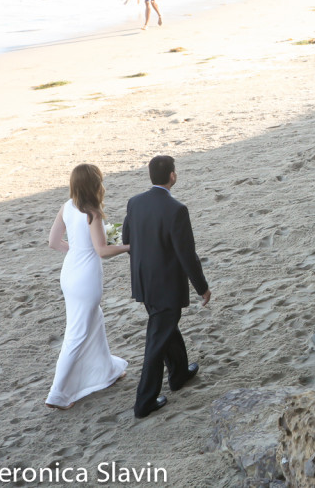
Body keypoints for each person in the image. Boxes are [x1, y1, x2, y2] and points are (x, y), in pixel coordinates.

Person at [122, 155, 210, 419]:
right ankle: (144, 402)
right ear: (172, 175)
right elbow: (187, 255)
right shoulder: (177, 209)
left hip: (144, 282)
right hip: (166, 285)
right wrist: (202, 287)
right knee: (157, 340)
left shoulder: (134, 203)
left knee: (165, 327)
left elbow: (127, 239)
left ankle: (179, 373)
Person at [45, 164, 130, 410]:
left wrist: (76, 252)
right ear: (94, 185)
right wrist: (129, 246)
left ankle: (106, 371)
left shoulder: (67, 207)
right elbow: (102, 251)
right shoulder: (92, 213)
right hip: (86, 279)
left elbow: (53, 242)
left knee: (94, 321)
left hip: (69, 273)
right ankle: (57, 394)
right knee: (77, 334)